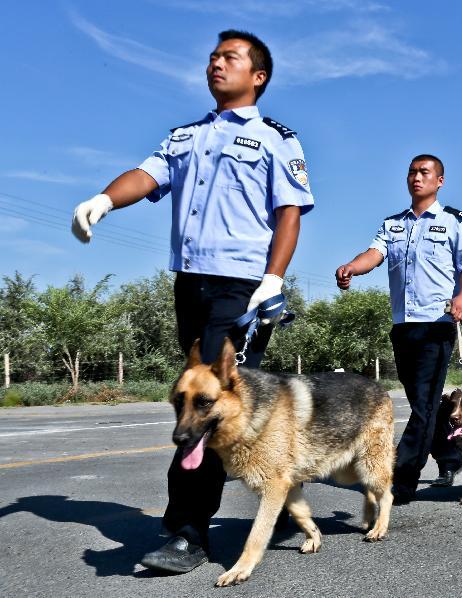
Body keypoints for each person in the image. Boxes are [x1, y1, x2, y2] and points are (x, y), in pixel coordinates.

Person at [71, 31, 313, 573]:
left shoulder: (276, 138)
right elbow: (147, 174)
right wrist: (105, 199)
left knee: (205, 403)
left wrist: (274, 278)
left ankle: (189, 531)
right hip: (191, 283)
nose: (215, 63)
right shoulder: (187, 135)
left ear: (259, 76)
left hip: (242, 286)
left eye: (230, 57)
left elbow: (290, 211)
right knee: (196, 395)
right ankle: (240, 486)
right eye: (212, 57)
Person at [335, 154, 462, 504]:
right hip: (403, 328)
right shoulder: (393, 224)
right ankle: (448, 457)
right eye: (412, 172)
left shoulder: (454, 222)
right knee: (424, 404)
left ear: (439, 181)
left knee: (424, 408)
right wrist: (352, 268)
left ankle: (401, 479)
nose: (417, 177)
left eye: (424, 172)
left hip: (436, 324)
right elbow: (375, 253)